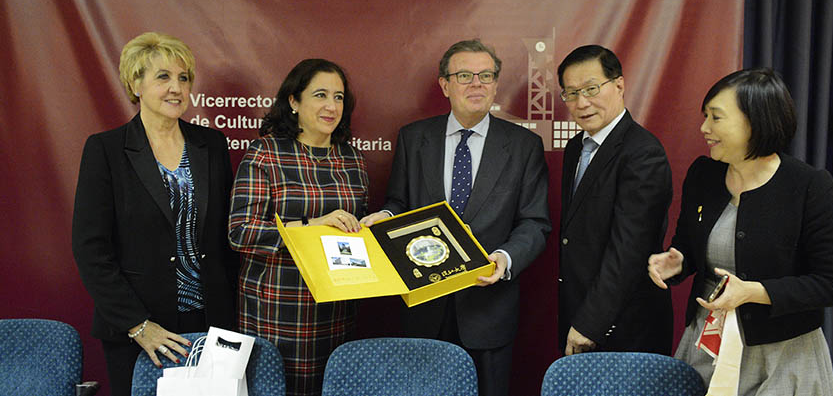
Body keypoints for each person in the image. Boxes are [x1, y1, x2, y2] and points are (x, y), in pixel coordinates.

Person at [361, 39, 551, 396]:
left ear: (496, 83)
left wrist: (505, 259)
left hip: (489, 309)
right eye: (464, 75)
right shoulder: (414, 138)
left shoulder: (524, 146)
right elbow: (399, 201)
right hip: (424, 304)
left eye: (485, 75)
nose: (476, 83)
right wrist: (385, 217)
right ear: (445, 84)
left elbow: (535, 222)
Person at [648, 67, 833, 394]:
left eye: (716, 118)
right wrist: (678, 262)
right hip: (708, 349)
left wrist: (753, 292)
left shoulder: (809, 187)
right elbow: (687, 246)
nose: (704, 128)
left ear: (755, 122)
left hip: (783, 358)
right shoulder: (704, 176)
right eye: (705, 116)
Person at [71, 32, 237, 396]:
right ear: (135, 83)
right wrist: (138, 325)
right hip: (138, 326)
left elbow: (225, 237)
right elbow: (91, 249)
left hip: (211, 321)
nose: (176, 87)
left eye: (184, 78)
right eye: (163, 77)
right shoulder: (106, 150)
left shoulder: (211, 145)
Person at [228, 59, 368, 396]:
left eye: (338, 97)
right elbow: (240, 232)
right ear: (294, 101)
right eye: (320, 95)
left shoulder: (352, 159)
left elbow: (353, 232)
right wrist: (311, 226)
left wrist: (370, 229)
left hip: (335, 310)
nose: (331, 106)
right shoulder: (266, 153)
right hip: (276, 309)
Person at [556, 45, 673, 357]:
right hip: (579, 313)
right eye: (571, 93)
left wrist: (590, 323)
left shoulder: (643, 152)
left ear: (619, 85)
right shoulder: (575, 148)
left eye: (592, 89)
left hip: (624, 325)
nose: (582, 103)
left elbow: (629, 251)